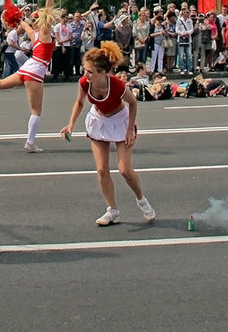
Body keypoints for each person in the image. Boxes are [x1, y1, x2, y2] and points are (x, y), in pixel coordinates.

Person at [60, 41, 156, 226]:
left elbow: (133, 103)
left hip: (120, 121)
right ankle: (112, 211)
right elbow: (79, 103)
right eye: (84, 69)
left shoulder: (117, 86)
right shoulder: (84, 83)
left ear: (103, 73)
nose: (85, 74)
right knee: (102, 170)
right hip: (99, 121)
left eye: (90, 72)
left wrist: (130, 130)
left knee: (124, 170)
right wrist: (70, 124)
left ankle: (141, 199)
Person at [0, 0, 59, 153]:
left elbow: (19, 20)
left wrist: (12, 14)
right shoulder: (44, 32)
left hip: (27, 68)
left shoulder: (33, 32)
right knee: (36, 110)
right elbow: (48, 10)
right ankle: (30, 142)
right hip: (35, 71)